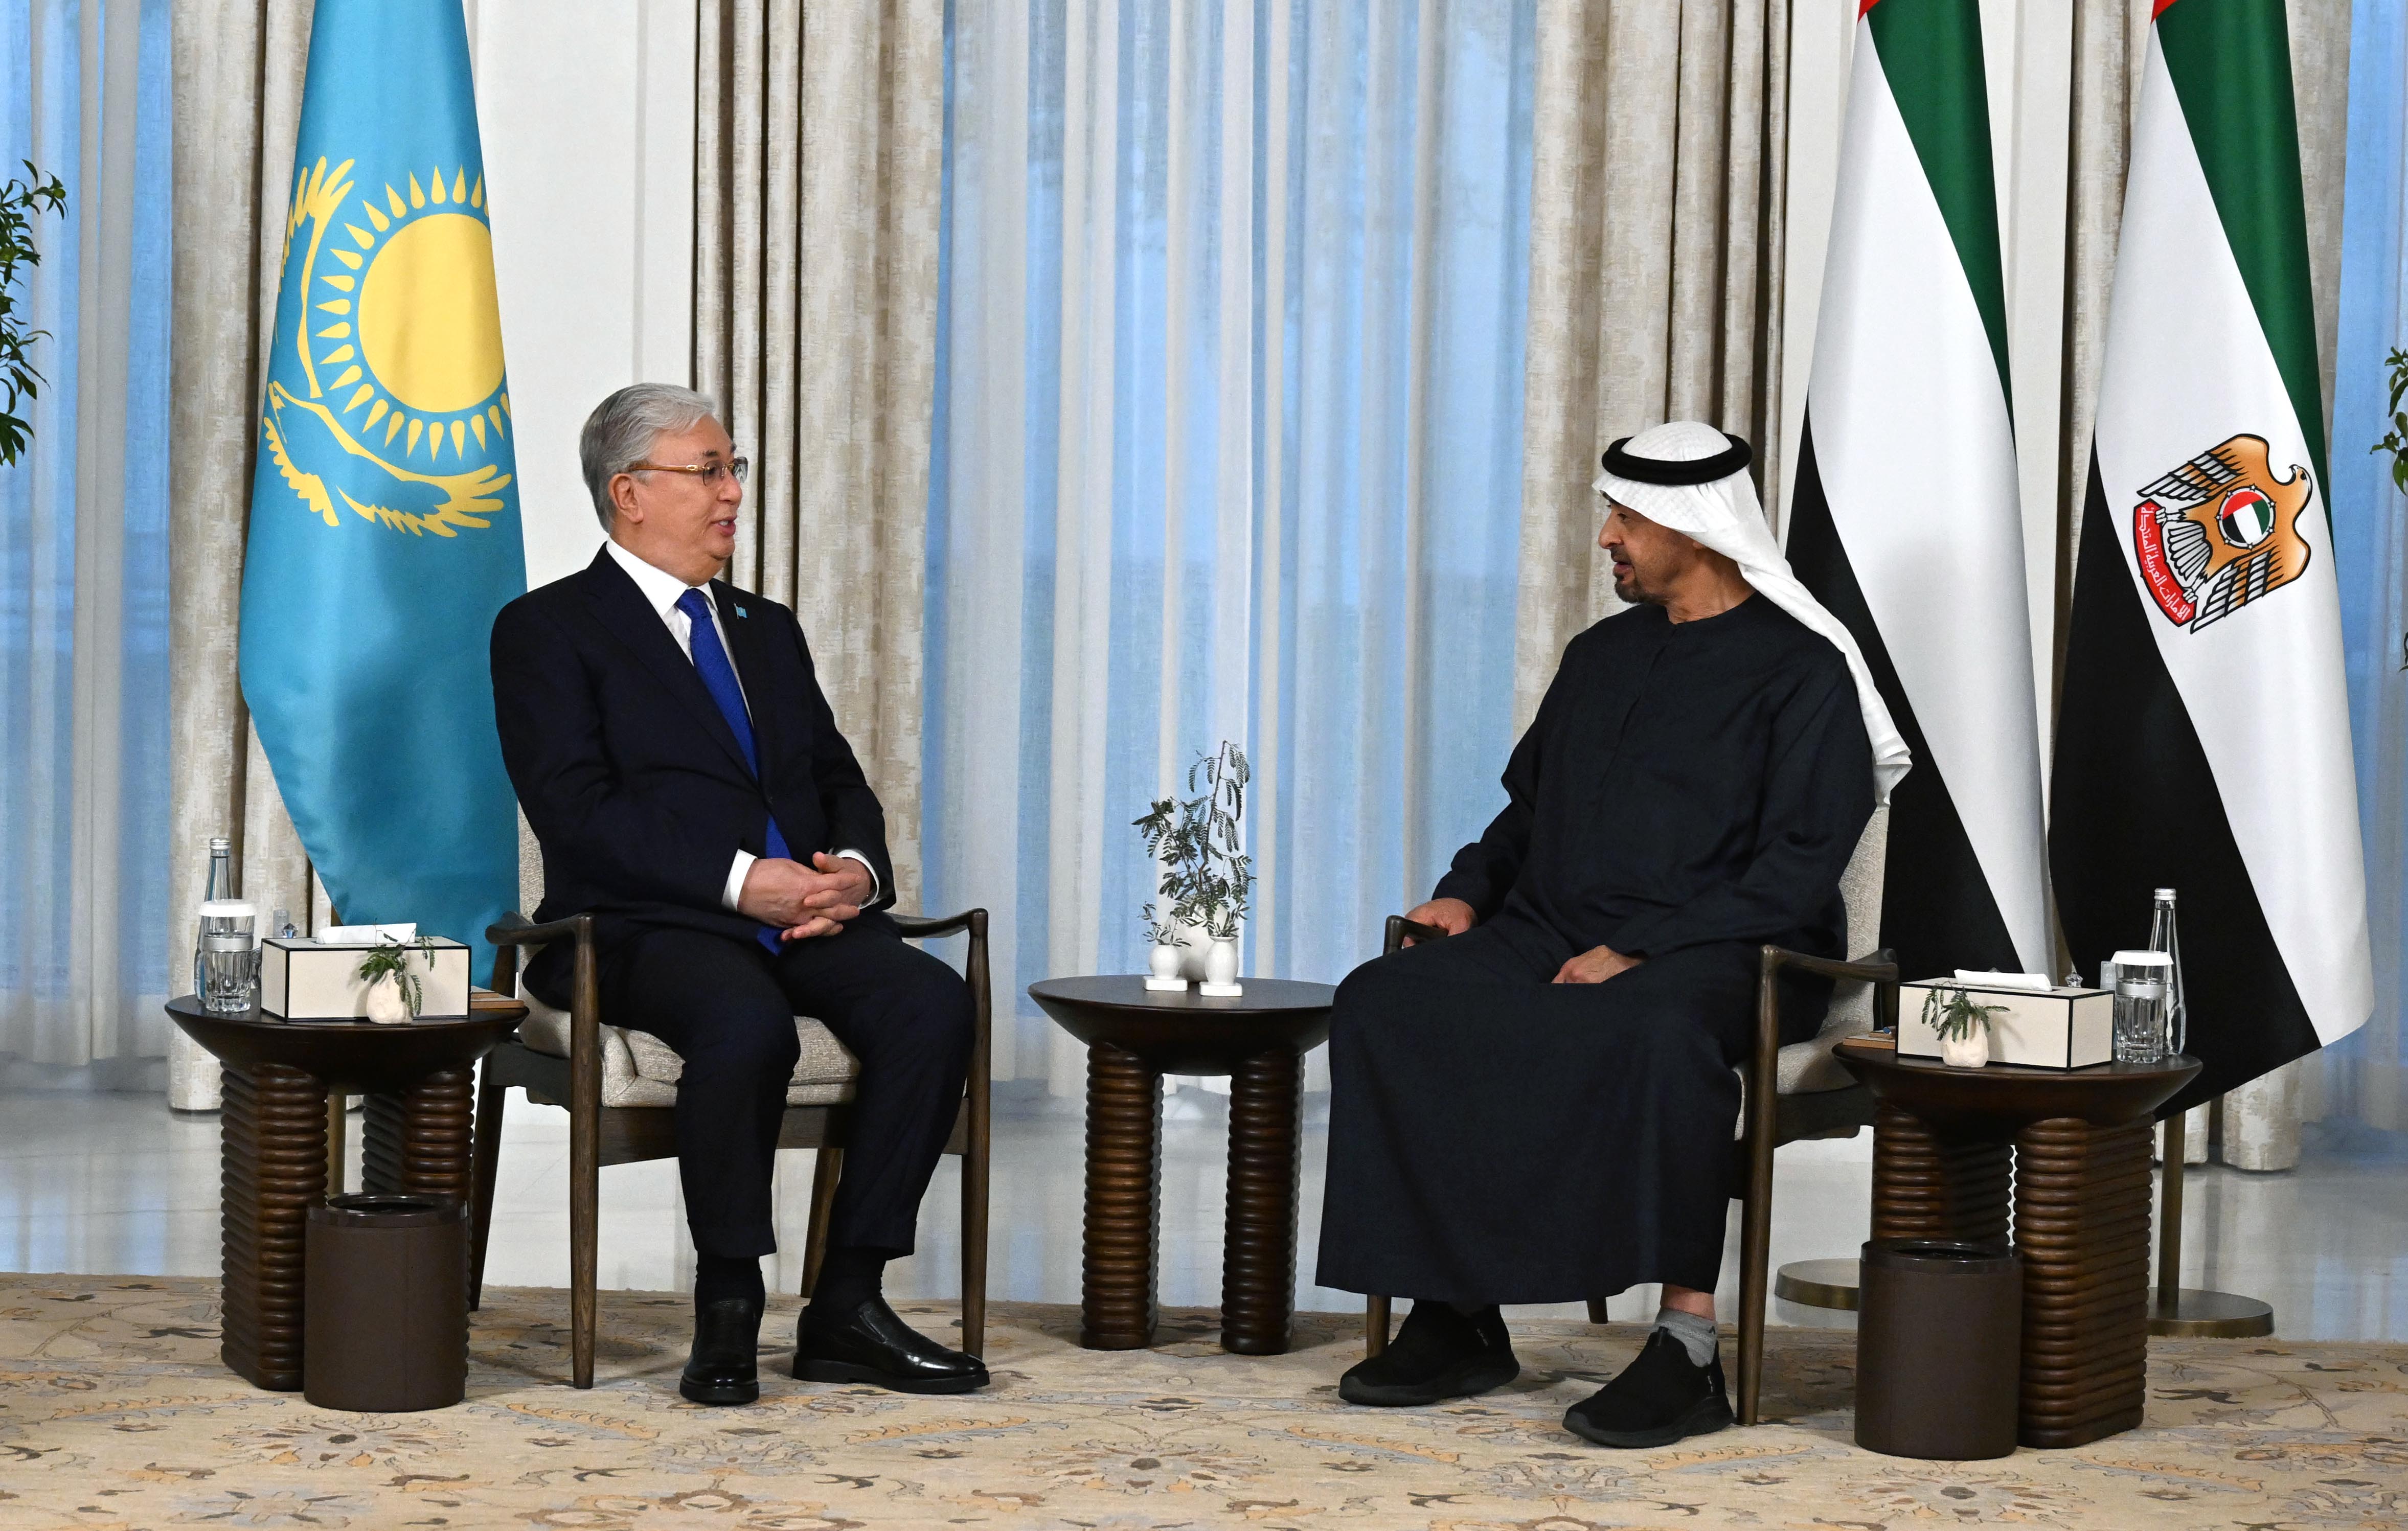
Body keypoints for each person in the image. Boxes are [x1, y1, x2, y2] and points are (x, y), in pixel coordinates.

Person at [1315, 420, 1909, 1447]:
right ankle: (1456, 1312)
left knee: (1649, 1029)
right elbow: (1525, 817)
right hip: (1551, 924)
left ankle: (1686, 1348)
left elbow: (1797, 867)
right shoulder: (1599, 656)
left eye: (1626, 517)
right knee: (1386, 998)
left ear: (1695, 525)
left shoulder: (1802, 672)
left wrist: (1643, 949)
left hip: (1734, 949)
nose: (1607, 539)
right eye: (1611, 515)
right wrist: (1464, 893)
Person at [490, 383, 984, 1406]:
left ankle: (848, 1302)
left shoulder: (766, 628)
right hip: (639, 925)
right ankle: (728, 1299)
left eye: (733, 469)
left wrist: (854, 871)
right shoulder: (547, 628)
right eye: (709, 471)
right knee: (742, 1020)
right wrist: (740, 881)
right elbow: (578, 814)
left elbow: (837, 778)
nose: (732, 493)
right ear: (629, 492)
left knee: (931, 1003)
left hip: (803, 917)